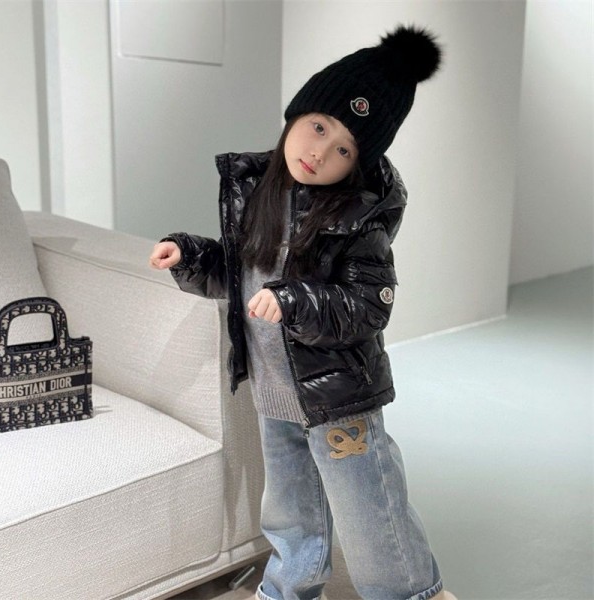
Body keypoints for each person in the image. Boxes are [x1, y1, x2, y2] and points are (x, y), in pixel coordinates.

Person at [150, 24, 457, 600]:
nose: (319, 152)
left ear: (359, 163)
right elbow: (243, 277)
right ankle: (289, 589)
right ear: (296, 114)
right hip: (276, 391)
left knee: (368, 506)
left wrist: (295, 300)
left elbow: (366, 307)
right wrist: (190, 257)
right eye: (318, 127)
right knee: (290, 508)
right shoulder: (258, 190)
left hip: (337, 395)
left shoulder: (360, 218)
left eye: (343, 148)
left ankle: (412, 593)